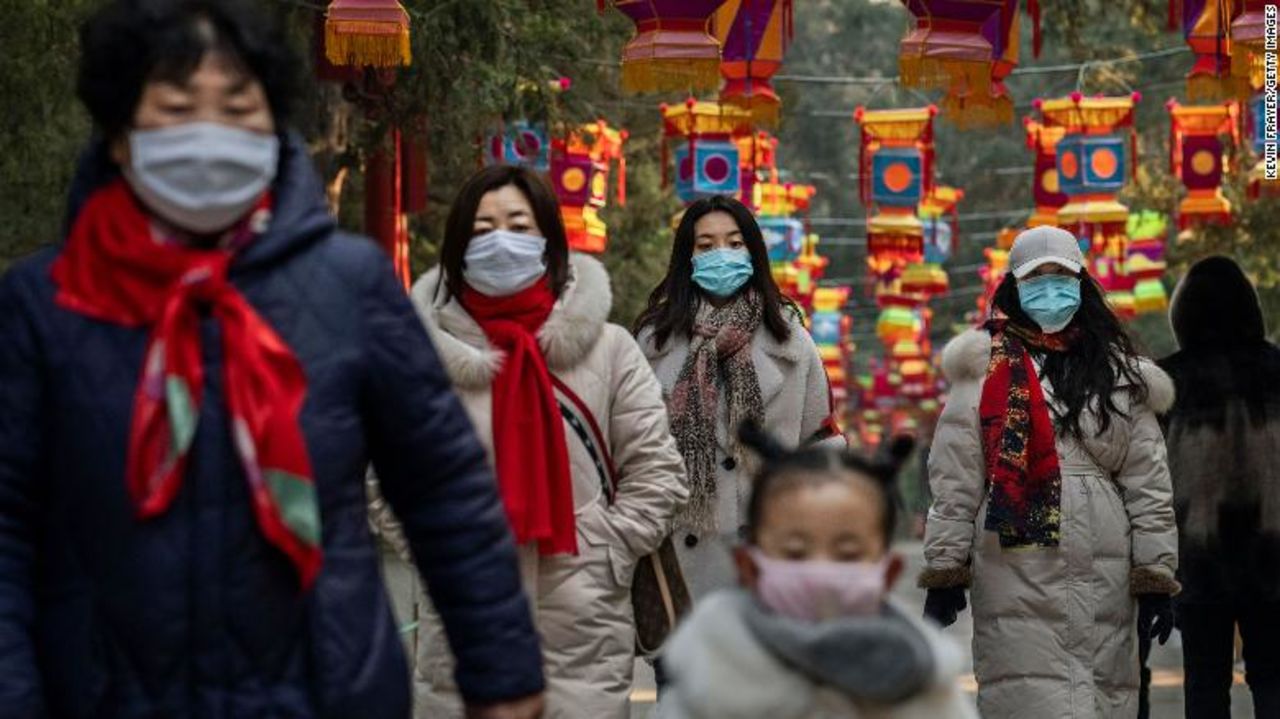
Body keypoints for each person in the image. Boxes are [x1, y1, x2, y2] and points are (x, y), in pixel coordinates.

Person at [0, 1, 547, 717]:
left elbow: (444, 490)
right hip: (105, 691)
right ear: (119, 136)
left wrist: (503, 672)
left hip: (327, 687)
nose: (209, 134)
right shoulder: (46, 301)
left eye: (236, 106)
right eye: (175, 106)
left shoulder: (350, 282)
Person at [369, 164, 688, 718]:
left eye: (518, 225)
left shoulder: (607, 350)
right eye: (483, 228)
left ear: (548, 240)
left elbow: (658, 474)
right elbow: (383, 478)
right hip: (465, 609)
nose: (501, 242)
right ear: (457, 247)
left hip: (583, 618)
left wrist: (604, 549)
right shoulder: (420, 355)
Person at [920, 226, 1179, 718]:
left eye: (1061, 275)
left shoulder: (1119, 373)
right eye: (1036, 277)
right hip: (1013, 563)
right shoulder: (983, 367)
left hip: (1105, 567)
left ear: (1082, 283)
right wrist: (945, 571)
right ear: (1014, 288)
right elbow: (955, 479)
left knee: (1101, 694)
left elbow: (1148, 482)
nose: (1050, 287)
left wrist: (1156, 573)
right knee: (1024, 692)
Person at [661, 423, 977, 719]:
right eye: (796, 554)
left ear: (888, 572)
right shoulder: (708, 679)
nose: (821, 568)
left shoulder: (923, 685)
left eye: (847, 555)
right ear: (749, 566)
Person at [635, 195, 844, 604]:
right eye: (706, 245)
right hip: (678, 565)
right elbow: (630, 451)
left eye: (734, 243)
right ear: (687, 256)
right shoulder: (653, 343)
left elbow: (820, 445)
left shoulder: (790, 341)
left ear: (753, 251)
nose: (722, 255)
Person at [1157, 256, 1280, 718]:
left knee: (1206, 684)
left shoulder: (1166, 382)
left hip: (1198, 560)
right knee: (1274, 678)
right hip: (1274, 558)